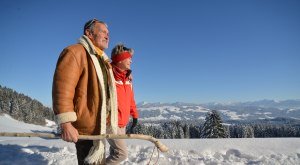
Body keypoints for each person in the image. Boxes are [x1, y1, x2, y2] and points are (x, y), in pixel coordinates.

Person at [52, 18, 118, 165]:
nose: (108, 36)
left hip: (99, 127)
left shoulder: (102, 59)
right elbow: (62, 89)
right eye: (103, 32)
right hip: (85, 129)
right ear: (89, 33)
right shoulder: (75, 52)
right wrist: (66, 124)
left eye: (108, 33)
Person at [106, 44, 139, 164]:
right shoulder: (109, 76)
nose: (131, 60)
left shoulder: (128, 79)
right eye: (128, 57)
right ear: (120, 59)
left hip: (122, 123)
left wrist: (135, 115)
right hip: (111, 123)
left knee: (115, 152)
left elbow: (131, 99)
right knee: (122, 154)